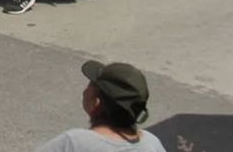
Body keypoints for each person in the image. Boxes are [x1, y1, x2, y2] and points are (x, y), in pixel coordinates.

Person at [32, 61, 167, 152]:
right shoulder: (152, 144)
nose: (85, 89)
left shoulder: (74, 143)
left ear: (96, 102)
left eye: (91, 84)